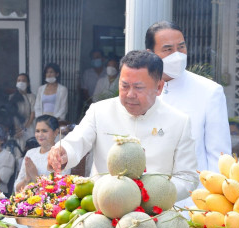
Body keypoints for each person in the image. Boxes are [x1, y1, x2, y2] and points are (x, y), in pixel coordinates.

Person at [48, 50, 198, 201]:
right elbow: (78, 140)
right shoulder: (99, 111)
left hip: (155, 213)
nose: (130, 94)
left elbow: (187, 177)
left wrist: (154, 194)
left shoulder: (179, 121)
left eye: (139, 88)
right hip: (103, 210)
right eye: (124, 86)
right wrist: (63, 151)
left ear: (159, 87)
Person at [145, 21, 230, 228]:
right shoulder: (140, 91)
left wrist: (213, 207)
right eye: (168, 49)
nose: (177, 55)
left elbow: (219, 156)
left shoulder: (209, 92)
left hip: (193, 207)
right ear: (151, 53)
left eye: (181, 47)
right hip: (147, 209)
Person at [14, 115, 69, 193]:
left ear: (56, 132)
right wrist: (27, 179)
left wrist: (35, 177)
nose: (40, 135)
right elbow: (17, 189)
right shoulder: (30, 153)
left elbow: (60, 190)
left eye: (44, 131)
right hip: (26, 203)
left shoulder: (61, 154)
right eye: (37, 131)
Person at [9, 73, 36, 150]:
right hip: (15, 126)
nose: (21, 82)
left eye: (23, 80)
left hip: (28, 126)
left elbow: (32, 114)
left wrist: (24, 128)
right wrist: (15, 128)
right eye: (19, 80)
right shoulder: (12, 97)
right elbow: (10, 114)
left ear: (28, 83)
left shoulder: (31, 97)